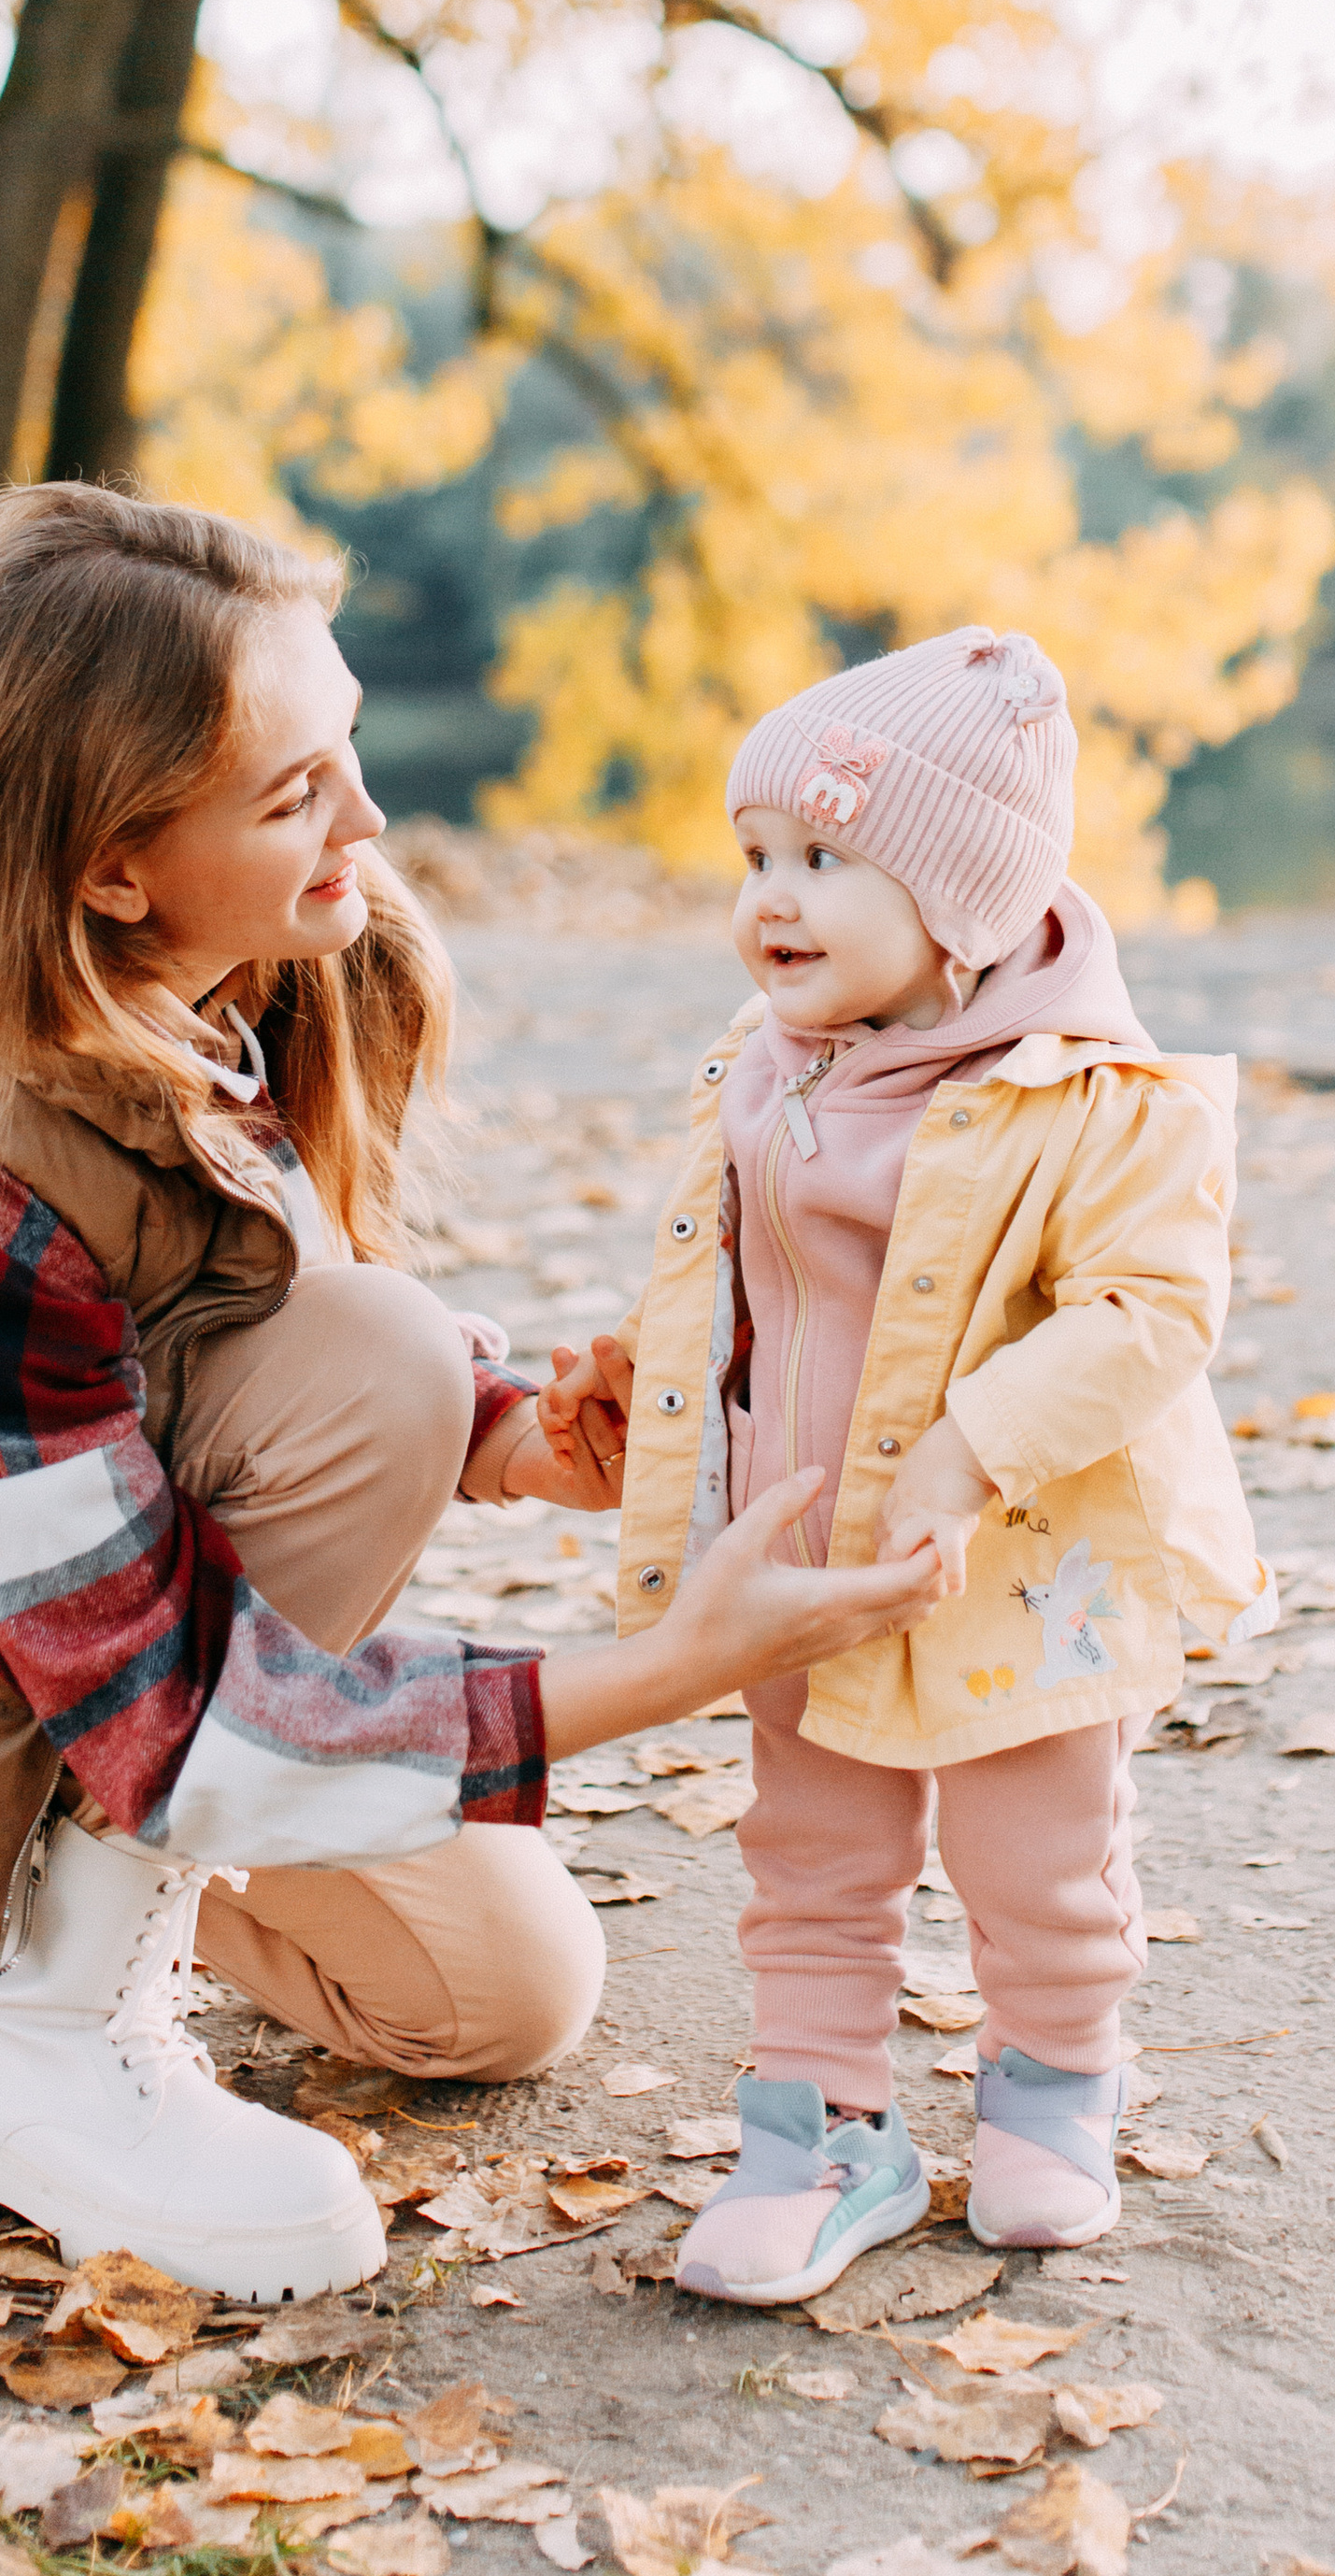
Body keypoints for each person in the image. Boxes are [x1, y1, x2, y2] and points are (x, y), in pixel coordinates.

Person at [0, 486, 950, 2308]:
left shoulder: (169, 939)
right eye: (295, 793)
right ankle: (25, 2057)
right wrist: (676, 1665)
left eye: (342, 748)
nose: (365, 823)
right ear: (111, 858)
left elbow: (187, 1326)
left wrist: (513, 1439)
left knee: (494, 1998)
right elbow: (173, 1726)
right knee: (382, 1362)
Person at [539, 625, 1271, 2292]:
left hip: (1011, 1559)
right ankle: (821, 2131)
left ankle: (1054, 2086)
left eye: (824, 858)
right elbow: (733, 1269)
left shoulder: (1100, 1099)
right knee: (812, 1846)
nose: (770, 900)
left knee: (1038, 1849)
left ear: (964, 904)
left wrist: (965, 1450)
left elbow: (1154, 1312)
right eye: (755, 858)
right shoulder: (770, 1069)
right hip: (806, 1551)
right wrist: (652, 1378)